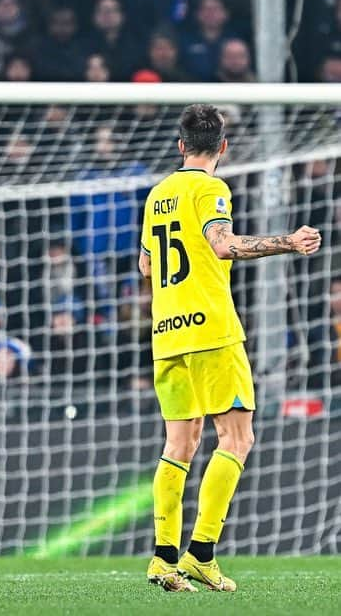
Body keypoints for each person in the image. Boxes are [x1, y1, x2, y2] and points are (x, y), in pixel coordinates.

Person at [139, 104, 321, 592]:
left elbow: (145, 265)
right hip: (212, 330)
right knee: (237, 439)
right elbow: (222, 245)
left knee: (179, 444)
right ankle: (200, 553)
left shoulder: (159, 194)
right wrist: (289, 241)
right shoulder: (211, 188)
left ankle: (162, 559)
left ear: (180, 145)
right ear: (222, 147)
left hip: (167, 333)